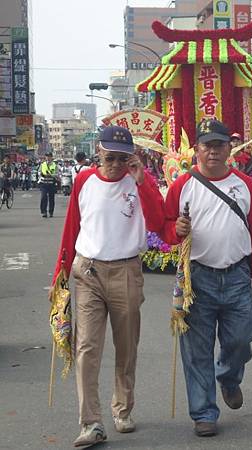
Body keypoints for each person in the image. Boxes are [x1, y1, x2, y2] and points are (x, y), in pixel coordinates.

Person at [50, 126, 165, 447]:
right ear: (98, 152)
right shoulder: (84, 181)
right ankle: (90, 421)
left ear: (132, 159)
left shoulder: (139, 183)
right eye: (109, 157)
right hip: (88, 272)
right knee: (87, 346)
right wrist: (59, 274)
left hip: (127, 271)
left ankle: (122, 409)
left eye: (122, 158)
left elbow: (158, 222)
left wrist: (143, 182)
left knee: (126, 345)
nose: (115, 164)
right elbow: (72, 226)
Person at [160, 119, 252, 438]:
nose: (213, 151)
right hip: (197, 279)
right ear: (196, 149)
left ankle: (229, 376)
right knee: (196, 350)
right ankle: (204, 412)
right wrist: (175, 231)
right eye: (207, 145)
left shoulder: (244, 185)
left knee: (241, 338)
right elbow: (166, 227)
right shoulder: (183, 185)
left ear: (229, 148)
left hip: (237, 275)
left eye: (219, 145)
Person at [38, 152, 58, 218]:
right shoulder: (42, 164)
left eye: (49, 156)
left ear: (51, 157)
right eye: (47, 156)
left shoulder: (55, 165)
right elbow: (39, 172)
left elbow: (57, 174)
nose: (48, 158)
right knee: (43, 197)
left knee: (51, 198)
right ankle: (44, 212)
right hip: (44, 184)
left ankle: (51, 212)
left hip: (51, 184)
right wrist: (41, 175)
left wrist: (51, 175)